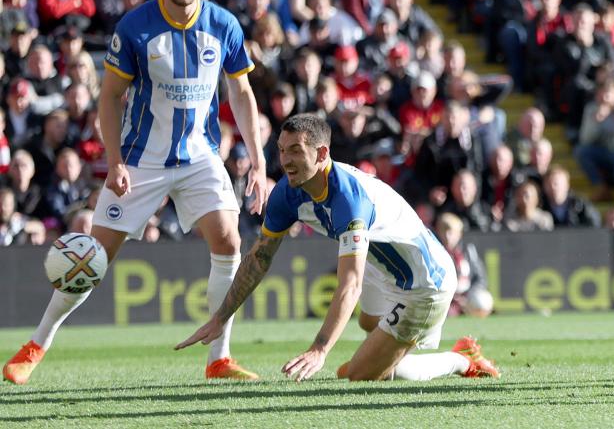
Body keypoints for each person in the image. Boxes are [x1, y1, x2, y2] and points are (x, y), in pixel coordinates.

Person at [3, 0, 268, 385]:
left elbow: (241, 93)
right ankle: (36, 343)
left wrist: (258, 163)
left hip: (200, 156)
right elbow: (109, 97)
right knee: (93, 257)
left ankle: (219, 360)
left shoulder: (224, 25)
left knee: (228, 242)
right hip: (141, 161)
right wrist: (116, 160)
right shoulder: (136, 27)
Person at [176, 114, 500, 382]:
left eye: (295, 152)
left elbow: (350, 284)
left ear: (321, 154)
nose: (285, 161)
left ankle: (460, 358)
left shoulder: (349, 199)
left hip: (424, 284)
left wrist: (320, 349)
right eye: (282, 150)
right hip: (381, 266)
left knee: (360, 376)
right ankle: (388, 349)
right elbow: (259, 258)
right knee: (367, 325)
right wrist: (221, 317)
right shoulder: (288, 194)